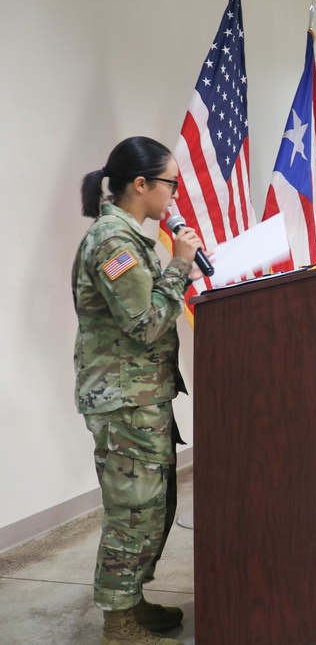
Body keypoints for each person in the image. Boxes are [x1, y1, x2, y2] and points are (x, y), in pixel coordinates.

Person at [73, 136, 207, 645]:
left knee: (151, 507)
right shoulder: (113, 242)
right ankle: (118, 623)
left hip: (141, 396)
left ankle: (132, 600)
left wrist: (178, 268)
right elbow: (144, 324)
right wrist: (179, 267)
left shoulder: (128, 236)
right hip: (123, 401)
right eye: (170, 184)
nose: (174, 195)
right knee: (133, 512)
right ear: (141, 184)